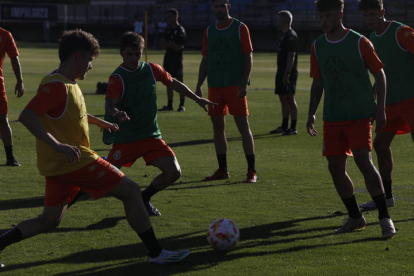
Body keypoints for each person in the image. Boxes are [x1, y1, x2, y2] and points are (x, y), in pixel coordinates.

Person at [0, 30, 190, 267]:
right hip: (76, 161)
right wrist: (57, 144)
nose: (91, 66)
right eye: (90, 60)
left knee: (49, 220)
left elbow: (67, 113)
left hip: (60, 166)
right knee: (131, 191)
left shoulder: (64, 82)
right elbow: (28, 116)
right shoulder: (58, 86)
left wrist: (99, 122)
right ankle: (156, 252)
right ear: (78, 56)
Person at [306, 0, 395, 239]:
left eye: (327, 15)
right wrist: (311, 112)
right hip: (333, 116)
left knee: (364, 162)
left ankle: (385, 217)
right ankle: (355, 216)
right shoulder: (318, 46)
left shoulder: (359, 41)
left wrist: (381, 109)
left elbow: (380, 74)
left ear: (339, 14)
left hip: (359, 115)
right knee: (335, 167)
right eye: (320, 16)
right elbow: (318, 83)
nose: (323, 20)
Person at [103, 32, 216, 216]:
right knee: (104, 179)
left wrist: (197, 98)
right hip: (127, 139)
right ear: (122, 53)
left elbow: (173, 82)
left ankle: (144, 198)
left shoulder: (152, 69)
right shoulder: (118, 77)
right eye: (130, 54)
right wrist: (117, 112)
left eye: (138, 53)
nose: (134, 58)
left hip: (151, 136)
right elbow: (109, 104)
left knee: (174, 172)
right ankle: (70, 195)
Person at [357, 0, 414, 209]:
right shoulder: (371, 38)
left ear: (382, 12)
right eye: (366, 16)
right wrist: (374, 101)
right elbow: (379, 74)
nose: (369, 19)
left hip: (411, 100)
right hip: (389, 103)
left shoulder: (402, 32)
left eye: (372, 14)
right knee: (380, 145)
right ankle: (387, 197)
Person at [196, 0, 257, 183]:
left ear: (228, 7)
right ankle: (223, 169)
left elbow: (248, 57)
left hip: (234, 86)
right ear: (212, 8)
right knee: (217, 127)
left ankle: (251, 170)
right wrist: (199, 84)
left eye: (222, 5)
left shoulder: (240, 28)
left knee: (243, 127)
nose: (219, 9)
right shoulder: (209, 31)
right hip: (215, 86)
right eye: (216, 6)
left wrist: (243, 83)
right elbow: (206, 59)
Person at [270, 10, 299, 136]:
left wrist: (287, 73)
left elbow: (291, 55)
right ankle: (284, 125)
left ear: (283, 21)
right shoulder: (282, 36)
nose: (277, 22)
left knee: (290, 98)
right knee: (282, 98)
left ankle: (293, 127)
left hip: (288, 73)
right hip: (281, 71)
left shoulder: (291, 36)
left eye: (278, 19)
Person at [0, 27, 24, 166]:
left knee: (3, 119)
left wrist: (20, 81)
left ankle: (10, 157)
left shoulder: (5, 35)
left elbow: (14, 58)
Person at [159, 9, 187, 112]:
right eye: (167, 17)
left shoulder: (180, 30)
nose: (169, 19)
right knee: (168, 81)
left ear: (176, 16)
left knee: (180, 82)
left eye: (170, 16)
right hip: (168, 59)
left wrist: (168, 44)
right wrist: (171, 44)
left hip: (177, 60)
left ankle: (181, 105)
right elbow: (162, 45)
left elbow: (178, 47)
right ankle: (169, 105)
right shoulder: (167, 30)